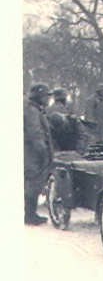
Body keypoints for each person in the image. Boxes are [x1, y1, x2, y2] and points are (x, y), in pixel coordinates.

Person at [24, 83, 54, 225]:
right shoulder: (32, 111)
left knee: (33, 183)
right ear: (39, 97)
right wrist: (43, 154)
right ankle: (29, 216)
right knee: (33, 183)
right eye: (46, 96)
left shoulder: (35, 110)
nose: (48, 99)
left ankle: (31, 214)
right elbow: (35, 134)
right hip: (33, 153)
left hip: (33, 152)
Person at [47, 88, 87, 153]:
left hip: (57, 144)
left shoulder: (49, 109)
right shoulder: (63, 109)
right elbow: (81, 133)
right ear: (64, 98)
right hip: (69, 140)